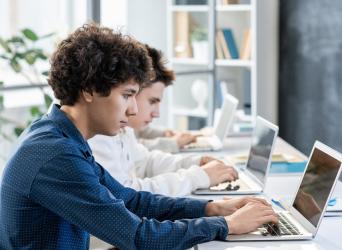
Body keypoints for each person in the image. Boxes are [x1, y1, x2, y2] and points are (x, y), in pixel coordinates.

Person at [0, 23, 278, 249]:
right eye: (127, 95)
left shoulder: (60, 136)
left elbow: (130, 200)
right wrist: (228, 225)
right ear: (88, 90)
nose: (133, 109)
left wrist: (215, 209)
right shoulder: (55, 154)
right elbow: (136, 236)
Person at [89, 45, 238, 196]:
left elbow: (145, 162)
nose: (157, 113)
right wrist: (198, 177)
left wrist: (195, 163)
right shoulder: (99, 134)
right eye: (152, 101)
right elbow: (129, 196)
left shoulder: (122, 129)